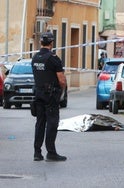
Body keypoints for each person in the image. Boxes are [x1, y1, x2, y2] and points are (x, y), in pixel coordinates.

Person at [31, 32, 67, 161]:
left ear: (41, 42)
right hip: (51, 96)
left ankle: (37, 152)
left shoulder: (35, 58)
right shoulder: (53, 58)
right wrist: (61, 92)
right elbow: (61, 80)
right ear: (51, 43)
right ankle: (51, 152)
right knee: (52, 123)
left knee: (40, 123)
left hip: (38, 94)